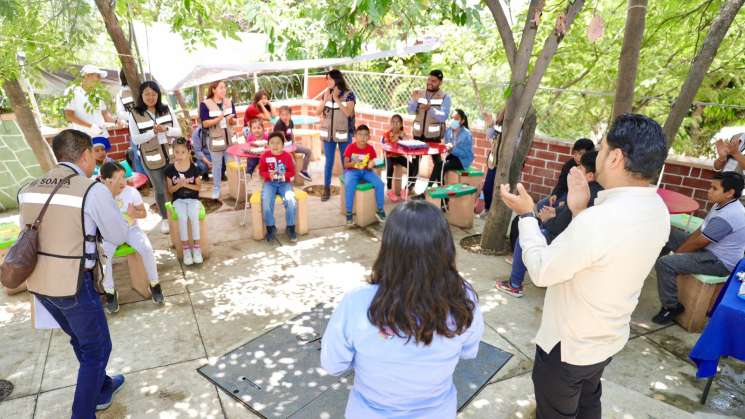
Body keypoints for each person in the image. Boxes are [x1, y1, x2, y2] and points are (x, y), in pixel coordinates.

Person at [499, 113, 670, 418]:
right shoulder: (656, 209)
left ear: (616, 157)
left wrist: (527, 216)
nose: (598, 155)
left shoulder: (601, 220)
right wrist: (579, 210)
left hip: (569, 347)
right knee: (589, 402)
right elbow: (598, 256)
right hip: (606, 338)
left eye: (603, 149)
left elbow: (541, 271)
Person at [321, 200, 484, 418]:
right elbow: (468, 351)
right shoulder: (464, 299)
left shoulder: (357, 303)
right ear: (445, 247)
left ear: (388, 248)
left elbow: (333, 364)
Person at [18, 129, 129, 418]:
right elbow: (118, 232)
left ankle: (102, 387)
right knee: (97, 348)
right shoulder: (91, 189)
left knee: (81, 339)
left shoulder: (29, 187)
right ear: (84, 155)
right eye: (93, 153)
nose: (94, 158)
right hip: (73, 285)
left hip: (39, 285)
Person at [497, 151, 603, 298]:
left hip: (562, 238)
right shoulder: (599, 192)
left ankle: (514, 285)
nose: (575, 170)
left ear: (590, 176)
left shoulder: (584, 192)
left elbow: (561, 225)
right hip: (572, 238)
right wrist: (556, 212)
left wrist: (546, 220)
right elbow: (568, 212)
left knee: (525, 239)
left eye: (580, 168)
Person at [653, 171, 745, 324]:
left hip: (719, 262)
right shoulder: (721, 204)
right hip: (708, 249)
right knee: (665, 232)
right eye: (710, 187)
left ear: (729, 193)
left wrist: (678, 253)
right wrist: (681, 249)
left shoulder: (729, 216)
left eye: (714, 188)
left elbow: (700, 242)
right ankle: (648, 269)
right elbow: (701, 231)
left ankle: (671, 307)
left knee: (665, 263)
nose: (709, 191)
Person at [99, 162, 163, 313]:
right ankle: (110, 291)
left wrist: (134, 213)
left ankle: (154, 284)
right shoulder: (100, 195)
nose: (122, 182)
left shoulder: (131, 192)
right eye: (117, 178)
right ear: (106, 180)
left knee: (146, 249)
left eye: (123, 177)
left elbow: (143, 213)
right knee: (104, 257)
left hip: (131, 230)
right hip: (110, 234)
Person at [128, 80, 183, 235]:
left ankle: (176, 214)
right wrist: (153, 132)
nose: (150, 97)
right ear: (141, 95)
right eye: (147, 94)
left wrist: (166, 129)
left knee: (174, 185)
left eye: (154, 94)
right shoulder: (135, 114)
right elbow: (136, 139)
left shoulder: (166, 109)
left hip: (171, 156)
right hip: (151, 158)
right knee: (160, 189)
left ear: (158, 95)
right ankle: (165, 218)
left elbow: (178, 131)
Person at [315, 69, 356, 201]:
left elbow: (349, 113)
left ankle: (347, 189)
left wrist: (336, 99)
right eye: (327, 79)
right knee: (329, 162)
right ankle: (326, 189)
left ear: (337, 80)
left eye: (330, 79)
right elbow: (317, 111)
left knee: (346, 163)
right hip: (328, 135)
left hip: (344, 134)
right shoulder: (326, 93)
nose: (328, 82)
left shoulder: (349, 95)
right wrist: (327, 98)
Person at [407, 69, 452, 188]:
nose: (430, 82)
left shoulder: (445, 97)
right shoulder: (419, 93)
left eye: (434, 81)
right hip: (418, 134)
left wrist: (430, 109)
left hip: (433, 136)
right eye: (429, 79)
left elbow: (443, 116)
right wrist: (414, 101)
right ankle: (410, 186)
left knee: (438, 162)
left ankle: (430, 187)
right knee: (415, 160)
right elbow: (410, 111)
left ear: (440, 82)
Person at [165, 138, 205, 266]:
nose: (180, 155)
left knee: (193, 216)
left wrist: (186, 185)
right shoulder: (170, 170)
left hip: (193, 199)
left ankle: (197, 249)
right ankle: (186, 249)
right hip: (178, 200)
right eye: (177, 152)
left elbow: (198, 187)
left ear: (188, 152)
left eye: (183, 152)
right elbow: (170, 190)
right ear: (173, 153)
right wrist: (179, 185)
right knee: (182, 217)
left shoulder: (195, 168)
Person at [200, 80, 237, 199]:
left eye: (225, 87)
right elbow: (205, 123)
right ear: (213, 89)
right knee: (217, 166)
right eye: (221, 87)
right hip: (215, 141)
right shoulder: (205, 104)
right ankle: (216, 190)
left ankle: (235, 189)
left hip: (230, 140)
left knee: (232, 166)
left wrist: (232, 120)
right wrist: (219, 118)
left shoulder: (229, 102)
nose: (224, 90)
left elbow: (234, 120)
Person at [258, 132, 298, 242]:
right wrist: (268, 175)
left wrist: (284, 175)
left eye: (278, 143)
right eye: (272, 143)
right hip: (270, 183)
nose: (275, 145)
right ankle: (271, 228)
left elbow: (292, 172)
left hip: (284, 183)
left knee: (291, 201)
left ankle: (290, 227)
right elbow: (261, 171)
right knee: (266, 202)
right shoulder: (264, 156)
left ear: (283, 145)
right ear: (268, 145)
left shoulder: (287, 156)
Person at [343, 124, 386, 226]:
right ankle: (349, 213)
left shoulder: (370, 148)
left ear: (369, 137)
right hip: (352, 171)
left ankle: (380, 209)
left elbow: (375, 162)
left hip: (367, 171)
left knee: (380, 184)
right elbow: (345, 164)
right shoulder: (350, 147)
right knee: (349, 185)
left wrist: (373, 163)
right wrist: (354, 163)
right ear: (355, 136)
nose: (363, 137)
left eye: (365, 135)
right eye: (360, 135)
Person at [64, 65, 120, 138]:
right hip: (83, 137)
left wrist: (116, 121)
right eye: (98, 76)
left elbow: (104, 114)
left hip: (101, 135)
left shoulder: (97, 94)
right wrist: (91, 127)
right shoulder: (71, 91)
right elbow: (69, 115)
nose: (100, 79)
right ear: (87, 75)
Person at [540, 138, 596, 209]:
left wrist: (566, 202)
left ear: (589, 153)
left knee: (559, 209)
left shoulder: (593, 167)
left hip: (581, 197)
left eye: (580, 153)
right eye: (575, 153)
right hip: (566, 192)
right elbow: (561, 183)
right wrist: (555, 194)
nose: (577, 157)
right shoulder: (569, 165)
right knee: (541, 205)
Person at [429, 109, 473, 187]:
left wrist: (453, 149)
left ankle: (429, 189)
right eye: (452, 118)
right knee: (440, 165)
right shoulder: (449, 131)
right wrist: (448, 148)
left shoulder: (467, 134)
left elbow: (465, 154)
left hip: (462, 161)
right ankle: (442, 191)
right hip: (452, 156)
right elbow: (447, 146)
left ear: (462, 121)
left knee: (440, 166)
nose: (453, 120)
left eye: (456, 119)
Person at [114, 69, 146, 175]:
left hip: (149, 127)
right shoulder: (120, 93)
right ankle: (144, 182)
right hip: (134, 128)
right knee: (137, 156)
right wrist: (135, 117)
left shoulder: (142, 88)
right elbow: (120, 113)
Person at [274, 105, 312, 181]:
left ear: (290, 115)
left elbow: (291, 133)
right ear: (279, 115)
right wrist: (292, 150)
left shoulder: (290, 122)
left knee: (308, 151)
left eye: (287, 114)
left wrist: (294, 143)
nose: (285, 117)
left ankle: (304, 171)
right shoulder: (279, 124)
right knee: (293, 163)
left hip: (290, 145)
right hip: (280, 147)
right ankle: (284, 178)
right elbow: (283, 139)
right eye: (283, 115)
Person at [382, 114, 412, 202]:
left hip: (398, 156)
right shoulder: (387, 134)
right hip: (389, 156)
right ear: (390, 124)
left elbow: (408, 143)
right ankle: (389, 189)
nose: (395, 124)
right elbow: (388, 146)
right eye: (393, 122)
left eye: (398, 122)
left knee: (412, 166)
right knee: (390, 167)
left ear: (401, 124)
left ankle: (406, 188)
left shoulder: (402, 134)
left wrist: (404, 137)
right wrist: (398, 138)